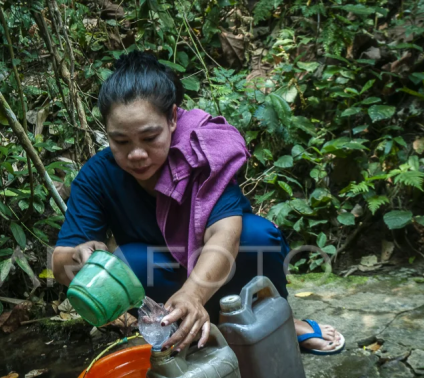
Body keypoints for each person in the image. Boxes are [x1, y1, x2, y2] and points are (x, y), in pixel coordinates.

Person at [51, 51, 345, 354]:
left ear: (173, 119)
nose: (136, 154)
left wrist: (193, 293)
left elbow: (225, 233)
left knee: (257, 237)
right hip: (163, 283)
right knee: (129, 260)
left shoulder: (201, 153)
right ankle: (192, 330)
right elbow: (61, 262)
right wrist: (79, 257)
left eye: (150, 138)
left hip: (220, 266)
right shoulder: (97, 176)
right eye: (121, 142)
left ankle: (279, 323)